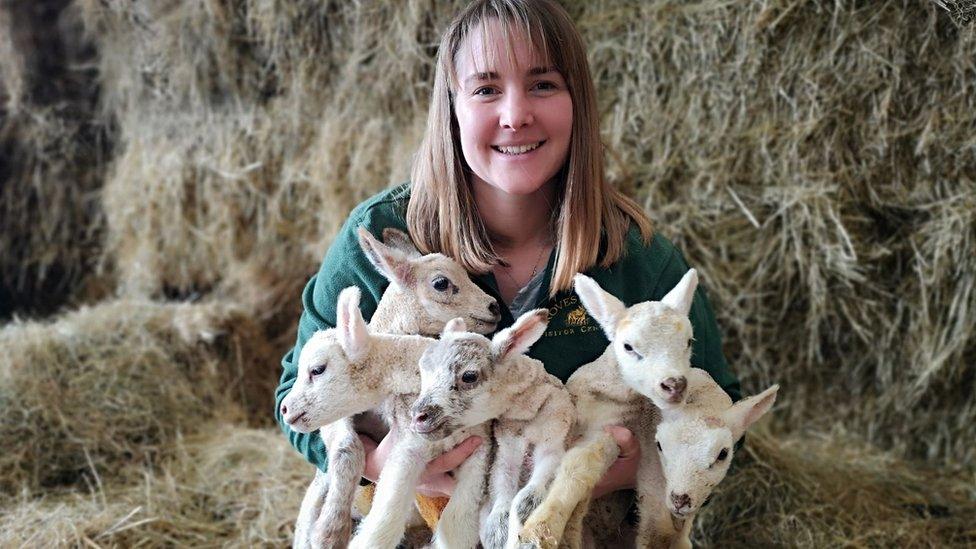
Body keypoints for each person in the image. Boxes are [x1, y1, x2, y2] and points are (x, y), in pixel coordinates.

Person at [275, 0, 740, 515]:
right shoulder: (380, 243)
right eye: (486, 89)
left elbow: (721, 408)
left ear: (577, 103)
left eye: (543, 84)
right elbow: (295, 397)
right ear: (452, 106)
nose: (516, 116)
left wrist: (631, 469)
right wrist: (383, 467)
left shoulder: (637, 260)